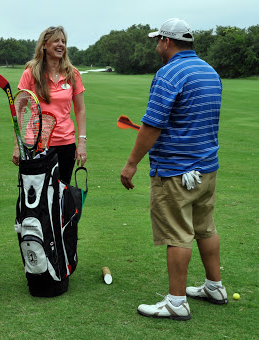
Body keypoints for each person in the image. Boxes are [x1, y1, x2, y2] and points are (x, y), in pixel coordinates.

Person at [121, 18, 227, 321]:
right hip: (206, 169)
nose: (156, 46)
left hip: (176, 172)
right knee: (205, 228)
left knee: (178, 235)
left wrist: (131, 164)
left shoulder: (168, 73)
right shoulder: (210, 72)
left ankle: (176, 303)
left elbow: (152, 125)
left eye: (158, 41)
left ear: (167, 41)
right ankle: (214, 286)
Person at [13, 26, 87, 184]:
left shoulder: (72, 74)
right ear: (44, 45)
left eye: (64, 41)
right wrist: (17, 145)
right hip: (35, 144)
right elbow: (19, 111)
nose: (61, 44)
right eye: (56, 41)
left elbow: (80, 110)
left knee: (62, 193)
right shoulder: (30, 73)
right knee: (37, 195)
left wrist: (81, 142)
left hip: (66, 144)